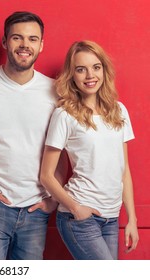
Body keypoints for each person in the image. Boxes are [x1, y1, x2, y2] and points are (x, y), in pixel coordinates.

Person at [0, 11, 66, 260]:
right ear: (5, 42)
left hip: (36, 210)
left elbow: (60, 150)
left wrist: (53, 199)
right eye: (17, 38)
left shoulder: (55, 90)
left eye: (32, 39)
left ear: (41, 45)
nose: (25, 45)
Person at [40, 40, 139, 259]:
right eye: (80, 69)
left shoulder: (118, 111)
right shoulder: (64, 115)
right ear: (72, 75)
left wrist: (132, 218)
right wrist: (76, 208)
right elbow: (46, 176)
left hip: (111, 218)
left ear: (104, 69)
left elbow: (124, 170)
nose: (89, 75)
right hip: (80, 216)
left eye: (96, 67)